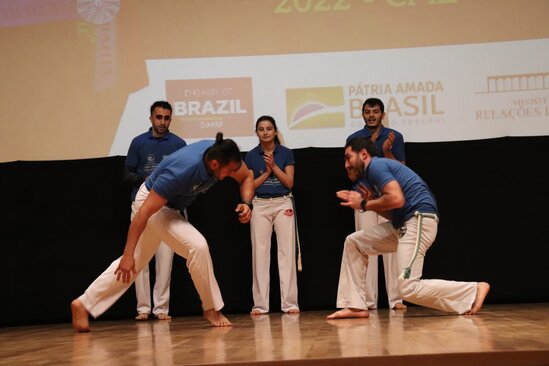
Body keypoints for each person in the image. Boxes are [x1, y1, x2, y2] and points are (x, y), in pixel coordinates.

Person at [71, 132, 255, 332]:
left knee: (135, 264)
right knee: (197, 247)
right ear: (214, 164)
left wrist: (246, 203)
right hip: (151, 205)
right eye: (229, 171)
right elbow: (143, 213)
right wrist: (127, 254)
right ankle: (212, 309)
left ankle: (83, 304)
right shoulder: (181, 171)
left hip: (169, 207)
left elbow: (247, 176)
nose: (232, 174)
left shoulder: (224, 154)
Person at [327, 137, 490, 319]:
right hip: (404, 222)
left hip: (419, 219)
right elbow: (394, 212)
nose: (346, 164)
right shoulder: (372, 176)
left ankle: (473, 290)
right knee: (354, 242)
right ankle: (355, 306)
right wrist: (370, 201)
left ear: (363, 154)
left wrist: (365, 203)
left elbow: (397, 199)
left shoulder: (376, 166)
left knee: (407, 287)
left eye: (348, 157)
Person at [124, 100, 187, 321]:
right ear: (151, 118)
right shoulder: (138, 142)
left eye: (167, 118)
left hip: (167, 208)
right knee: (140, 257)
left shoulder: (179, 144)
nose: (162, 122)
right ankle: (143, 308)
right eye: (158, 117)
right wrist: (147, 180)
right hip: (141, 205)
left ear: (171, 119)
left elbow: (185, 176)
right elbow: (127, 174)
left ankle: (161, 308)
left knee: (165, 259)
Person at [346, 98, 406, 310]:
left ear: (382, 114)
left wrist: (387, 149)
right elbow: (352, 172)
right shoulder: (354, 139)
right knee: (366, 246)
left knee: (392, 249)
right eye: (368, 111)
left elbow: (401, 169)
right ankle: (368, 300)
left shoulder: (394, 137)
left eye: (376, 111)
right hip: (365, 197)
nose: (371, 115)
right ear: (362, 114)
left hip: (389, 196)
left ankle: (396, 299)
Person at [244, 116, 299, 315]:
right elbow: (249, 186)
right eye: (261, 129)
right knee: (260, 253)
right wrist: (267, 173)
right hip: (260, 205)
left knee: (286, 253)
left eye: (269, 128)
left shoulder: (285, 153)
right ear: (257, 132)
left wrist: (274, 166)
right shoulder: (250, 156)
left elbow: (289, 182)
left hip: (283, 202)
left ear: (275, 131)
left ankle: (290, 303)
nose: (265, 132)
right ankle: (260, 305)